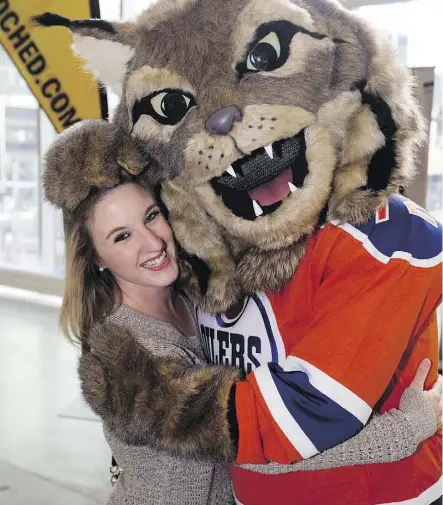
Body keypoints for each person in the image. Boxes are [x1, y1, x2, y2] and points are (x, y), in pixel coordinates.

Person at [43, 120, 442, 505]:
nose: (151, 244)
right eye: (121, 236)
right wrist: (406, 429)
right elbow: (256, 452)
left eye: (151, 216)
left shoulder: (191, 289)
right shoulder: (123, 358)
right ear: (95, 258)